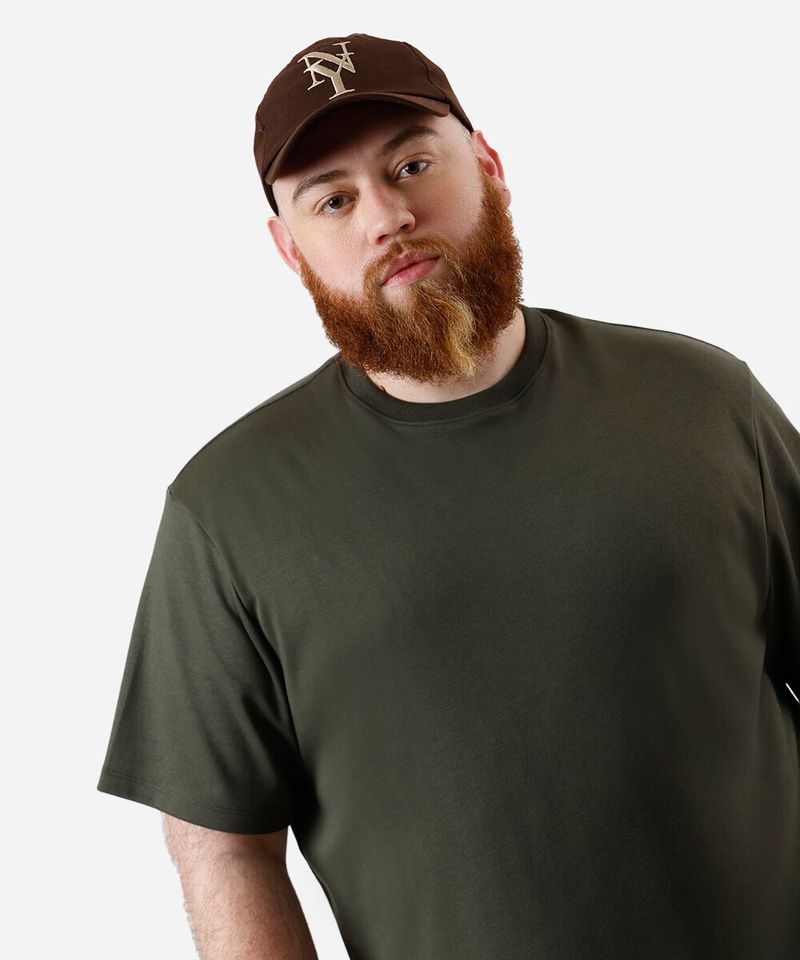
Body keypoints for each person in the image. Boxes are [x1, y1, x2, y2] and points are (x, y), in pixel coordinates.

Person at [97, 32, 800, 960]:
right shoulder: (226, 512)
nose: (387, 217)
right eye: (334, 199)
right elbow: (225, 849)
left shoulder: (703, 402)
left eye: (412, 166)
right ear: (289, 249)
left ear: (489, 168)